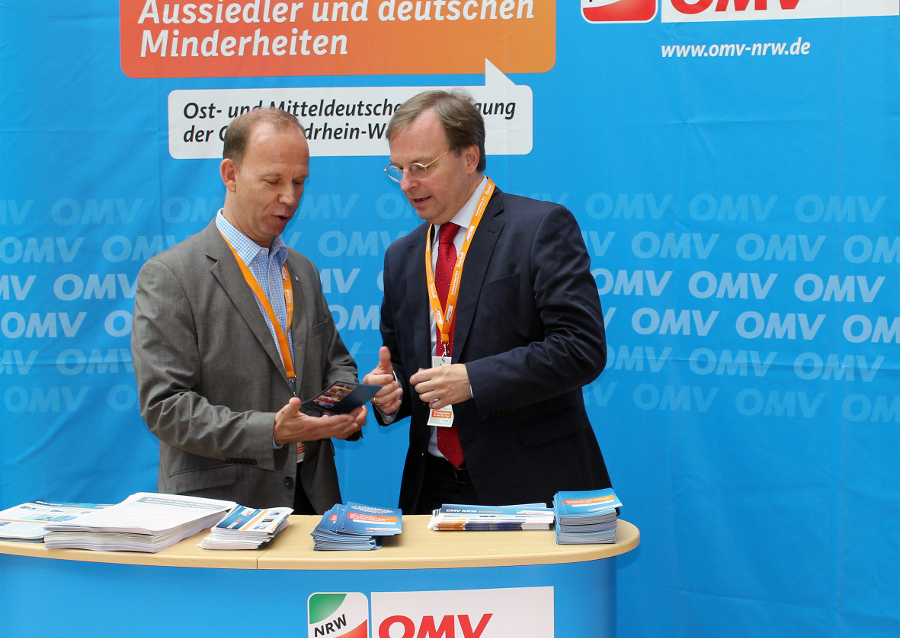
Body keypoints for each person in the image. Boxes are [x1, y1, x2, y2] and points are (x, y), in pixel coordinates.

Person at [364, 90, 612, 514]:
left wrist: (474, 380)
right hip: (432, 491)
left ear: (469, 157)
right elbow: (409, 368)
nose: (407, 184)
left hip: (530, 487)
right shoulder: (401, 256)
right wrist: (393, 394)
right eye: (399, 169)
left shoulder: (539, 228)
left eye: (421, 167)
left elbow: (581, 349)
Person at [132, 108, 366, 513]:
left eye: (299, 182)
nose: (289, 197)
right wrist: (270, 431)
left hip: (312, 500)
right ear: (231, 175)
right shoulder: (170, 276)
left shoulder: (303, 270)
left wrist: (347, 404)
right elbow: (166, 407)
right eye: (273, 181)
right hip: (220, 512)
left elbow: (336, 363)